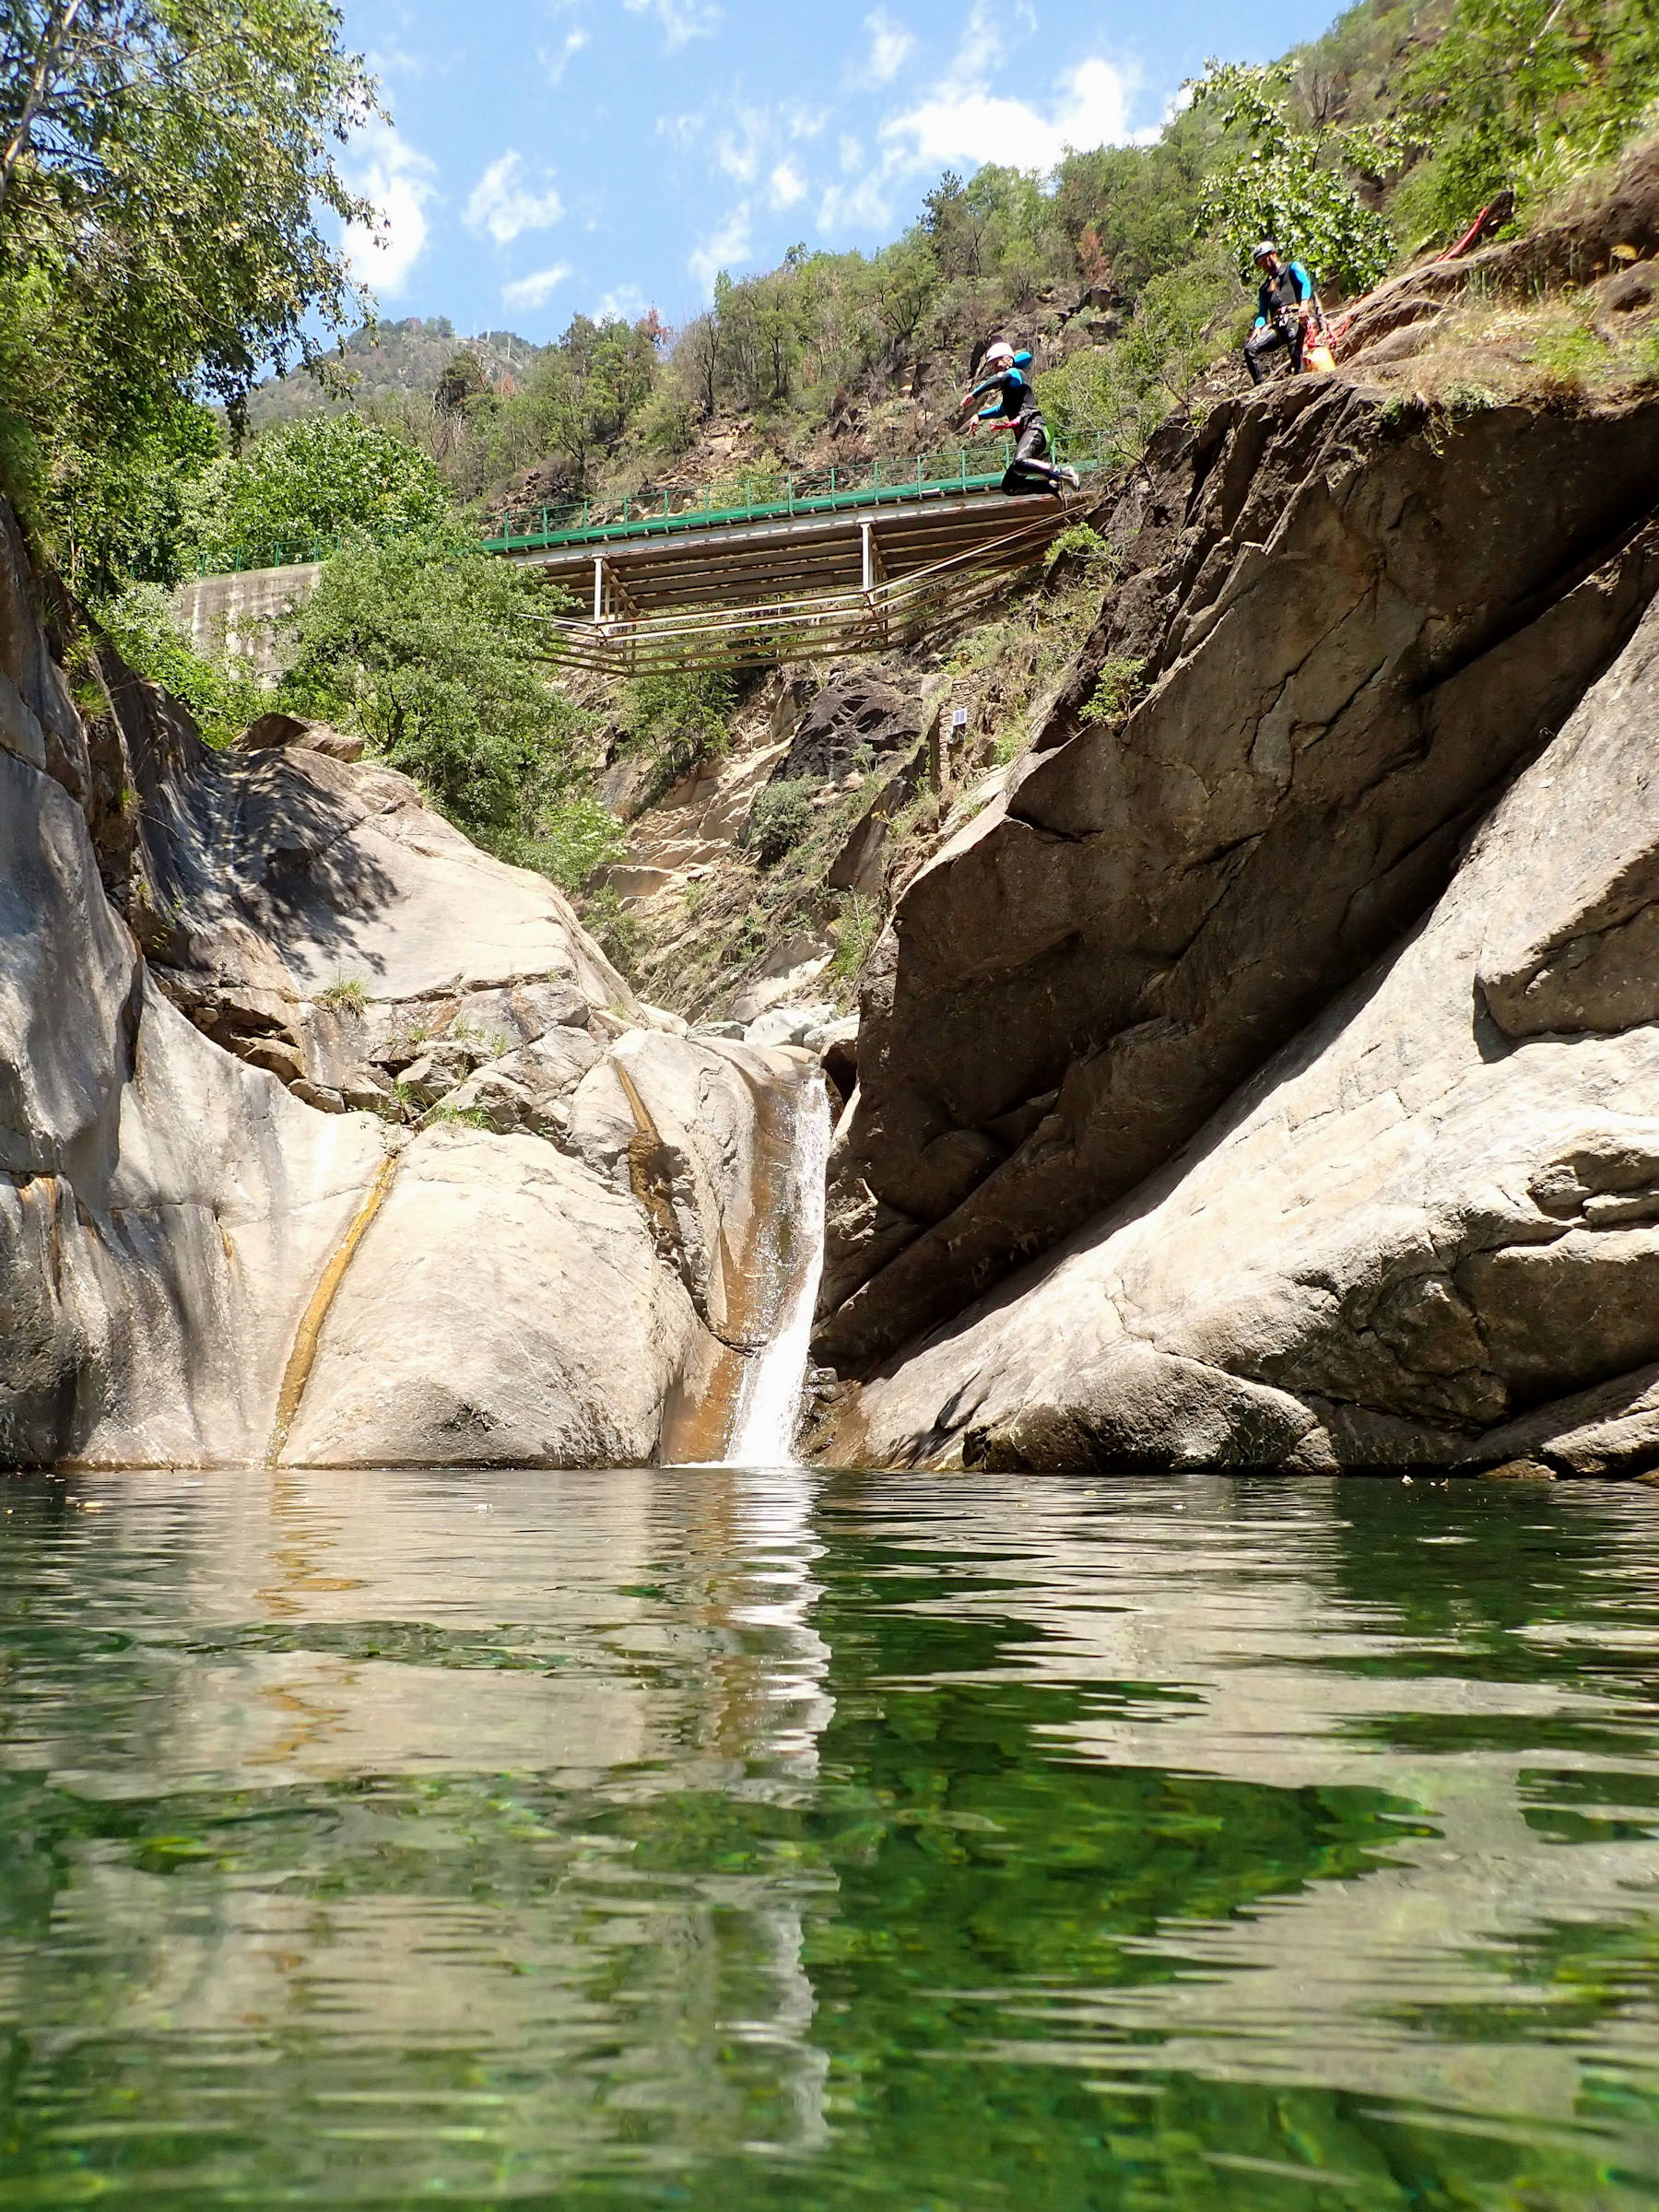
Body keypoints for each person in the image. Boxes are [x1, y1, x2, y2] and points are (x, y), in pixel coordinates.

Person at [959, 339, 1081, 495]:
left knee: (1019, 462)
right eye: (992, 367)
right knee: (1010, 486)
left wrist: (974, 394)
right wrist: (979, 415)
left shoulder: (1015, 374)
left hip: (1035, 429)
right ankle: (1051, 487)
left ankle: (1062, 471)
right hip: (1029, 434)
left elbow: (1000, 378)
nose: (995, 370)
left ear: (1007, 359)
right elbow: (1002, 410)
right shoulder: (1011, 388)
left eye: (997, 364)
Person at [1243, 241, 1325, 385]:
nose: (1263, 264)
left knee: (1294, 348)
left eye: (1264, 259)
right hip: (1278, 325)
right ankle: (1259, 387)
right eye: (1260, 262)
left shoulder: (1292, 268)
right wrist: (1258, 327)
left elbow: (1305, 283)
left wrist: (1304, 303)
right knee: (1250, 349)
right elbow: (1262, 312)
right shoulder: (1265, 288)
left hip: (1295, 318)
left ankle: (1300, 380)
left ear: (1273, 254)